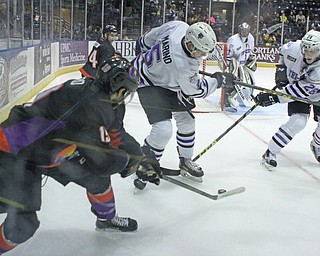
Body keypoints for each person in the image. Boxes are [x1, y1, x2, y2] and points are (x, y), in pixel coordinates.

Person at [0, 55, 161, 254]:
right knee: (23, 223)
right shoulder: (91, 104)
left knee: (98, 181)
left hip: (52, 151)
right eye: (126, 90)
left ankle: (106, 220)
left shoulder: (103, 97)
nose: (125, 95)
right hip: (16, 152)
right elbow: (103, 161)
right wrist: (131, 164)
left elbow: (116, 132)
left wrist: (141, 157)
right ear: (118, 86)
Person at [133, 20, 234, 188]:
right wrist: (218, 80)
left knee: (187, 122)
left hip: (169, 81)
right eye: (201, 52)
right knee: (163, 130)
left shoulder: (178, 26)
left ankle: (186, 160)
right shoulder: (182, 66)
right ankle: (146, 165)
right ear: (190, 44)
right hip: (148, 81)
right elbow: (196, 90)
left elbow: (146, 39)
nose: (202, 56)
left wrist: (143, 51)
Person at [255, 29, 320, 170]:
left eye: (313, 51)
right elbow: (281, 52)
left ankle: (316, 145)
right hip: (298, 88)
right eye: (306, 50)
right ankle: (271, 152)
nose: (308, 54)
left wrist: (273, 97)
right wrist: (281, 72)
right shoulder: (294, 48)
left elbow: (297, 92)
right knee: (298, 122)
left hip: (314, 93)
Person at [222, 22, 257, 112]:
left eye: (246, 31)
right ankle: (227, 99)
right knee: (234, 81)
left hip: (243, 64)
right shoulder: (233, 40)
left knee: (252, 81)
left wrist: (251, 59)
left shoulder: (251, 38)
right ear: (239, 31)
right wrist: (230, 69)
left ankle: (249, 95)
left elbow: (250, 53)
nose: (244, 33)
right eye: (243, 31)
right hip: (233, 64)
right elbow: (228, 57)